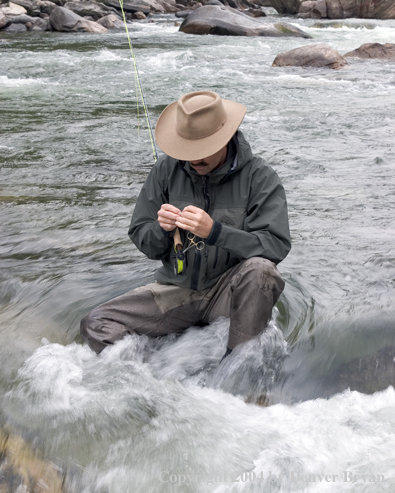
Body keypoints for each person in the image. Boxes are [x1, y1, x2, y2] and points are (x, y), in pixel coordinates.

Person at [80, 90, 291, 357]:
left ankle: (237, 371)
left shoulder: (260, 177)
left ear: (225, 139)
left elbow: (275, 247)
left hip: (229, 294)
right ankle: (155, 381)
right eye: (188, 149)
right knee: (96, 324)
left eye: (203, 150)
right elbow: (144, 240)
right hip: (175, 291)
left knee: (262, 270)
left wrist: (215, 232)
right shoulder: (165, 170)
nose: (195, 159)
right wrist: (161, 230)